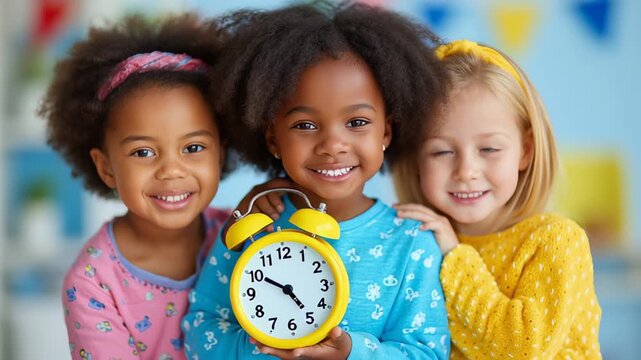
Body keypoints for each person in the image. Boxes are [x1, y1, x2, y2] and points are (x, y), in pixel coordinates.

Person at [182, 2, 450, 359]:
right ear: (273, 139)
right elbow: (201, 329)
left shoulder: (411, 244)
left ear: (386, 131)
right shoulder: (251, 227)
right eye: (305, 126)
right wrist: (265, 346)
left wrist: (350, 353)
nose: (333, 145)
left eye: (357, 122)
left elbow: (428, 353)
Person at [39, 13, 234, 359]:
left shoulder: (242, 236)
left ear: (220, 152)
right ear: (106, 167)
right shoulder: (92, 283)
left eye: (193, 148)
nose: (172, 170)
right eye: (143, 152)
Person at [392, 39, 602, 359]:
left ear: (526, 150)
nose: (466, 171)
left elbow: (520, 350)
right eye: (442, 151)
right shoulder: (418, 240)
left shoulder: (555, 240)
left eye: (488, 149)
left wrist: (454, 256)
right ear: (415, 159)